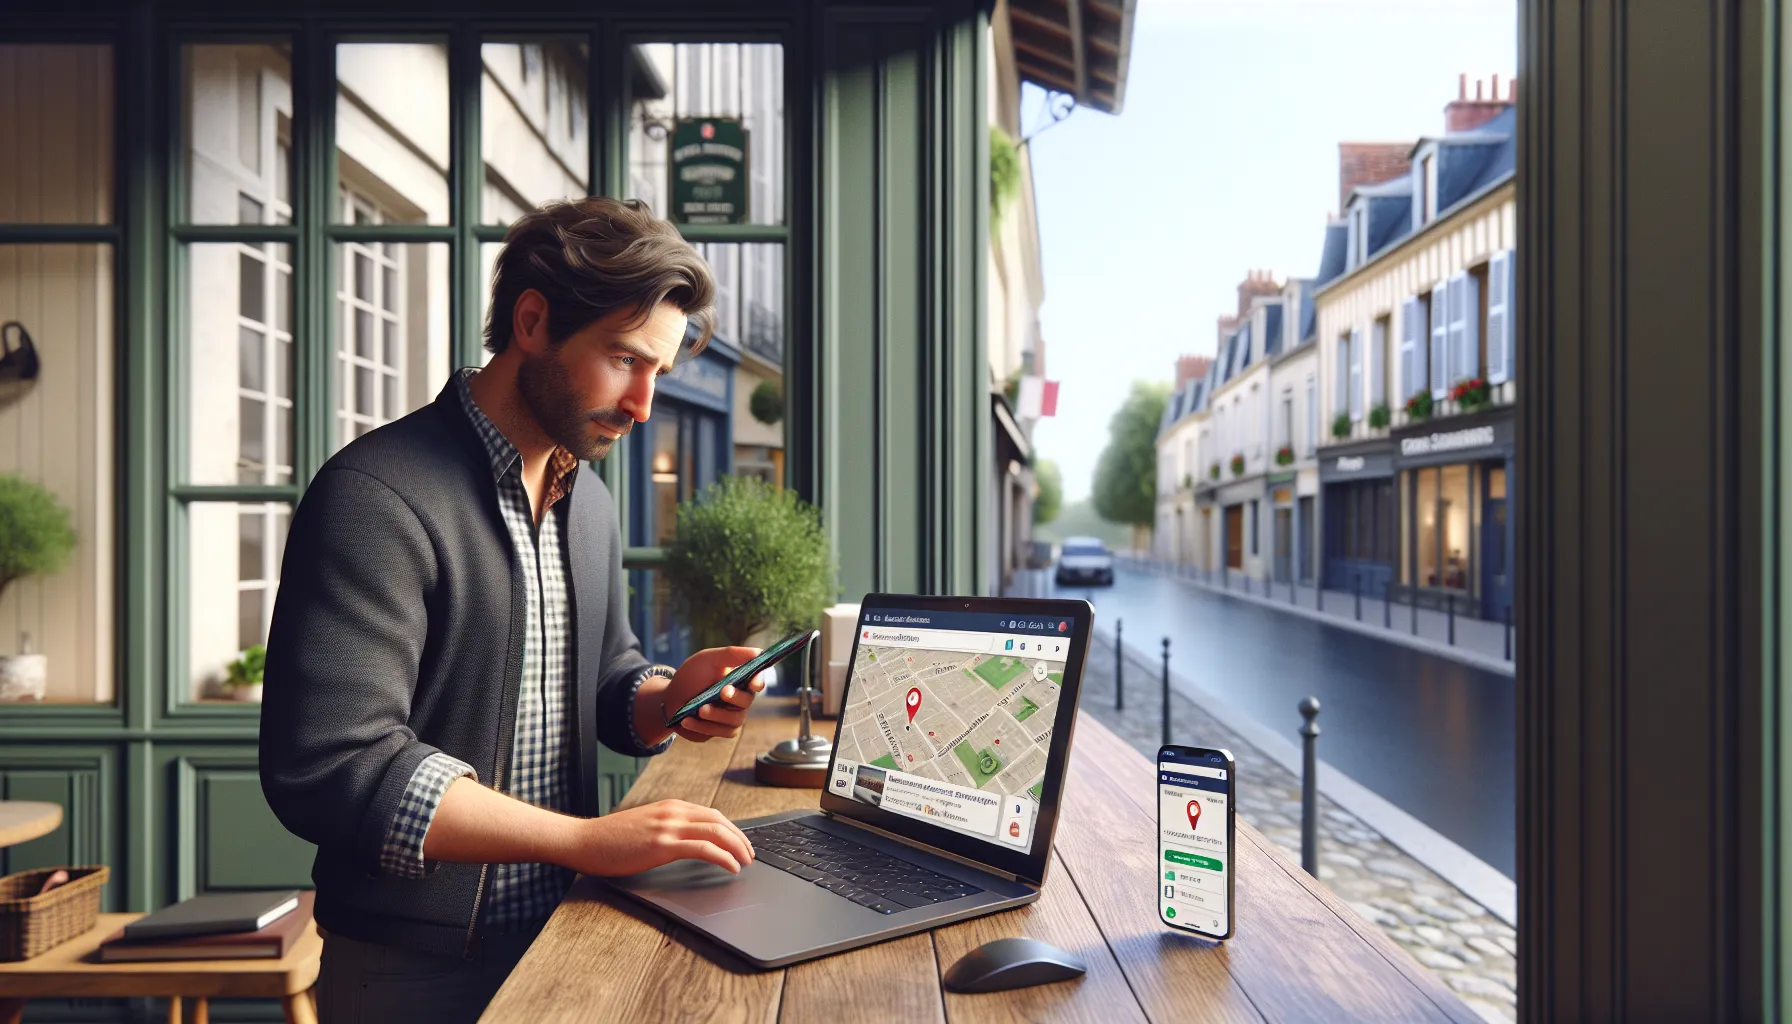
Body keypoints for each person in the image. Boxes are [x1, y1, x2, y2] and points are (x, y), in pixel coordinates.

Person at [260, 197, 763, 1024]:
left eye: (659, 374)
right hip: (409, 970)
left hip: (565, 936)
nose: (643, 405)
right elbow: (332, 765)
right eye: (624, 360)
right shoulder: (373, 495)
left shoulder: (587, 501)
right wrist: (588, 841)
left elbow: (607, 676)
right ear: (532, 322)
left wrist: (670, 697)